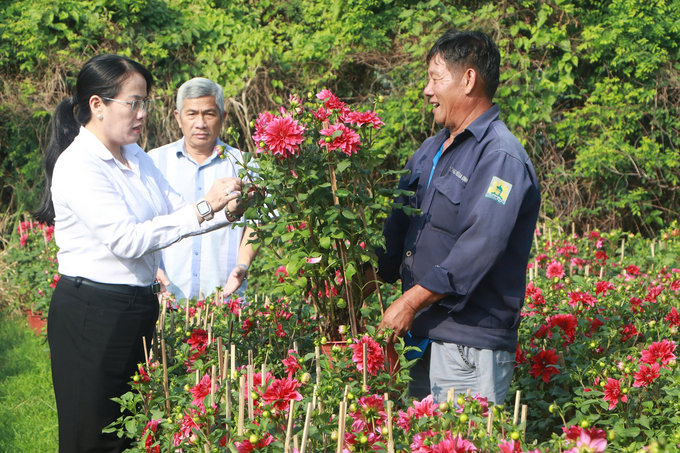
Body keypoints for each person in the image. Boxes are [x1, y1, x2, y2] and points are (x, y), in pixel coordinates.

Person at [34, 54, 248, 452]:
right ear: (98, 105)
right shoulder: (79, 165)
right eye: (133, 103)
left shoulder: (136, 157)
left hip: (136, 309)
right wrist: (206, 207)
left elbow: (177, 213)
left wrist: (232, 208)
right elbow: (129, 240)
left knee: (129, 430)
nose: (142, 114)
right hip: (93, 313)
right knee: (92, 436)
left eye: (144, 103)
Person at [374, 29, 541, 405]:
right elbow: (400, 225)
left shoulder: (500, 156)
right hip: (418, 336)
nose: (427, 90)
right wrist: (364, 276)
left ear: (468, 80)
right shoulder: (431, 148)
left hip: (468, 343)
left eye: (435, 78)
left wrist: (410, 302)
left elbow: (480, 244)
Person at [148, 78, 258, 301]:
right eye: (192, 114)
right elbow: (142, 221)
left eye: (209, 114)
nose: (201, 123)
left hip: (225, 298)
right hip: (165, 296)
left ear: (223, 118)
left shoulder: (245, 165)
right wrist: (152, 269)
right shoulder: (153, 162)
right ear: (178, 118)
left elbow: (260, 222)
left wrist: (242, 264)